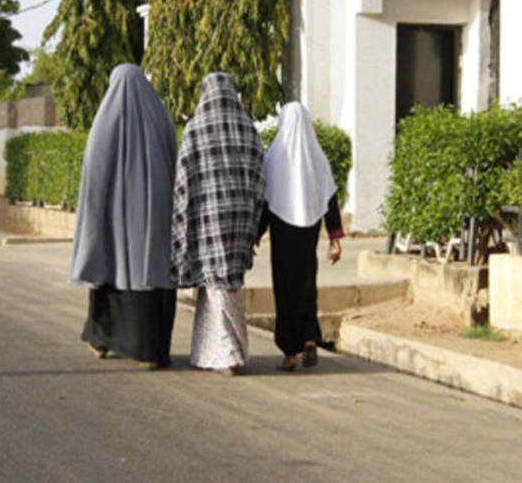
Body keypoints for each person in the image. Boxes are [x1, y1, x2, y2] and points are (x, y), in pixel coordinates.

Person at [70, 63, 178, 370]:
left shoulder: (106, 120)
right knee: (151, 274)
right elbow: (174, 164)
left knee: (112, 271)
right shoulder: (161, 118)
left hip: (114, 224)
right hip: (156, 219)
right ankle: (150, 350)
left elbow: (93, 173)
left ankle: (103, 340)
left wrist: (94, 219)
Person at [171, 73, 266, 377]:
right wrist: (253, 220)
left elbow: (183, 179)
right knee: (230, 284)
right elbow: (260, 180)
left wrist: (181, 222)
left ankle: (227, 353)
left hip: (207, 219)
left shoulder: (196, 129)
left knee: (214, 285)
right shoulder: (248, 129)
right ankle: (223, 351)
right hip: (240, 221)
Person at [258, 102, 343, 372]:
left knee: (285, 291)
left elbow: (265, 201)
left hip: (282, 235)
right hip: (308, 234)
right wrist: (335, 237)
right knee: (307, 286)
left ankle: (290, 354)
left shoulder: (273, 157)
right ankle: (308, 338)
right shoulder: (317, 157)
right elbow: (330, 199)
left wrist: (255, 235)